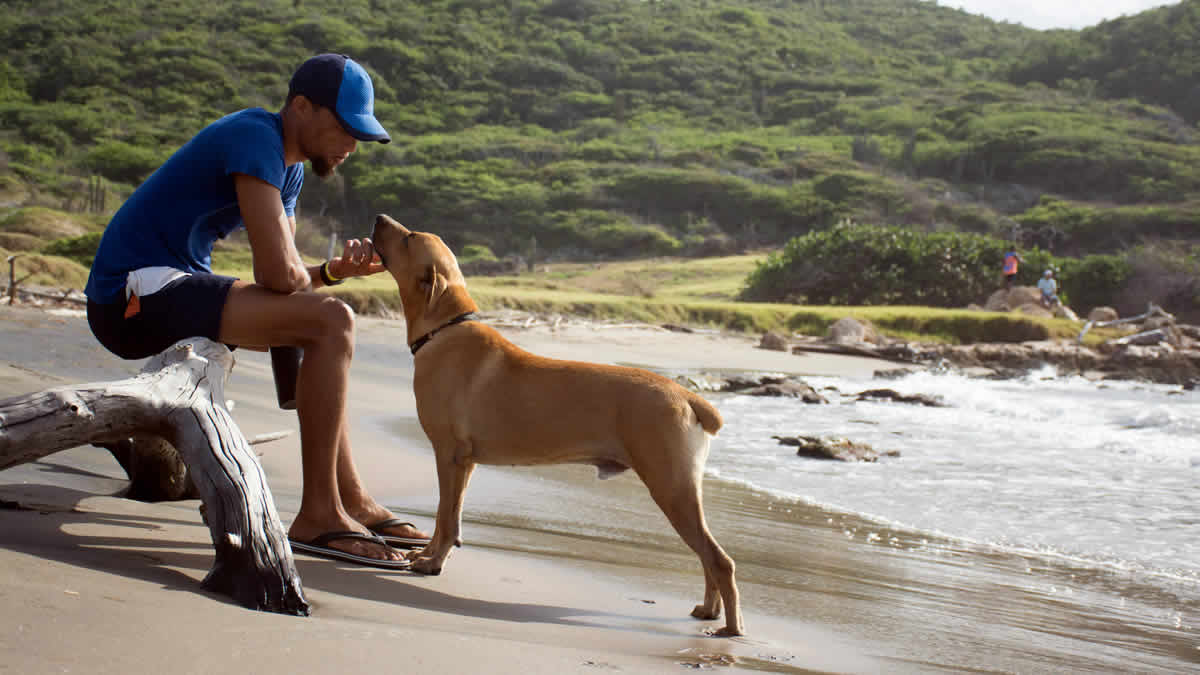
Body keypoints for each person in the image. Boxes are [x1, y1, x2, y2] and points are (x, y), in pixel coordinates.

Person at [83, 54, 424, 567]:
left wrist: (332, 273)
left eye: (361, 135)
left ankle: (349, 499)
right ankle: (319, 514)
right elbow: (277, 274)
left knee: (320, 315)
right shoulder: (255, 136)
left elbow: (287, 275)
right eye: (345, 127)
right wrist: (310, 287)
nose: (352, 145)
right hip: (126, 297)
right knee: (332, 321)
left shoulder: (288, 171)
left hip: (172, 288)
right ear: (302, 107)